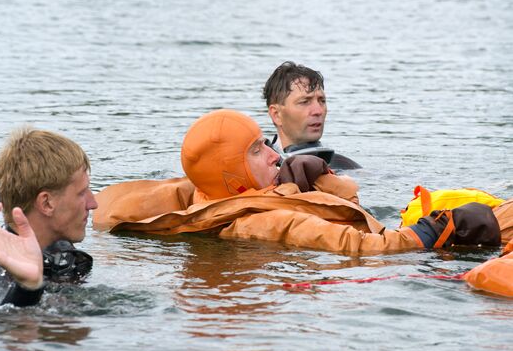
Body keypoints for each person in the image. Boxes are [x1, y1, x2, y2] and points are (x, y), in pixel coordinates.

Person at [93, 109, 509, 255]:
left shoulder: (211, 193)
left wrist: (321, 180)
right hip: (401, 253)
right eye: (257, 150)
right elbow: (360, 246)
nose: (275, 154)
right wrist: (432, 229)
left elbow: (352, 210)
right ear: (231, 175)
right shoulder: (256, 220)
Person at [0, 128, 98, 307]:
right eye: (82, 193)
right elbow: (2, 323)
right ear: (47, 203)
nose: (93, 203)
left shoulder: (63, 256)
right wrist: (28, 287)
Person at [263, 61, 361, 170]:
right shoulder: (258, 168)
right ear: (276, 114)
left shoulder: (346, 166)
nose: (318, 111)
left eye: (322, 101)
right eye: (304, 102)